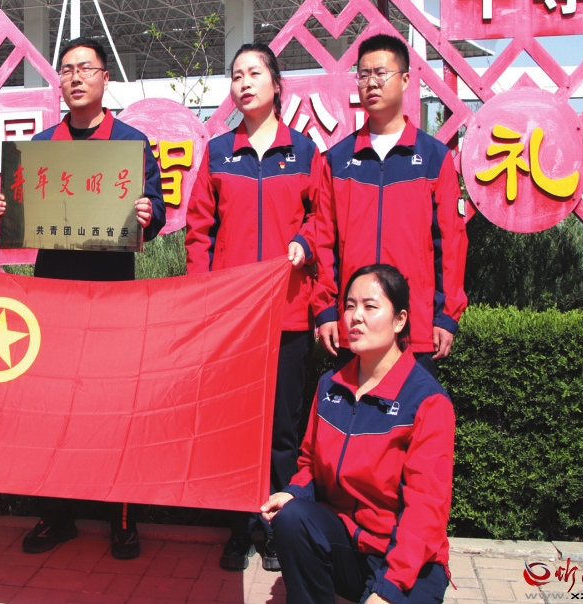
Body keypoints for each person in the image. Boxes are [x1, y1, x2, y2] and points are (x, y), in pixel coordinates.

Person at [0, 36, 167, 560]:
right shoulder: (42, 147)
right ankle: (56, 516)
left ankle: (121, 519)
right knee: (54, 409)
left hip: (111, 299)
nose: (75, 77)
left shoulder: (131, 144)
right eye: (66, 69)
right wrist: (5, 206)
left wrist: (148, 214)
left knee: (113, 409)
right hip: (54, 299)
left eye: (85, 68)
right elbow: (22, 213)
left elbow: (156, 210)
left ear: (105, 78)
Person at [184, 42, 320, 572]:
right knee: (234, 429)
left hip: (287, 314)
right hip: (233, 319)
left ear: (277, 84)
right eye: (237, 75)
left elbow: (322, 217)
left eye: (254, 73)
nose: (244, 82)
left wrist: (304, 242)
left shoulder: (304, 152)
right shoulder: (219, 152)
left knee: (283, 432)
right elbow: (199, 230)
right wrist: (203, 294)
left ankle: (277, 530)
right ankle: (238, 528)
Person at [261, 264, 455, 604]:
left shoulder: (427, 401)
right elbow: (309, 464)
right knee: (292, 520)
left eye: (370, 306)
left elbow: (426, 509)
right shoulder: (330, 387)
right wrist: (294, 493)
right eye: (349, 306)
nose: (356, 317)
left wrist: (389, 588)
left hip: (408, 560)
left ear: (399, 320)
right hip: (347, 544)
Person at [312, 33, 468, 377]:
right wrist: (325, 311)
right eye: (364, 74)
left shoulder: (434, 158)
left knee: (413, 409)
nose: (372, 83)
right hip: (354, 326)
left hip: (414, 326)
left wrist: (446, 316)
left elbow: (451, 243)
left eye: (381, 73)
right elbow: (324, 243)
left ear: (406, 80)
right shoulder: (337, 160)